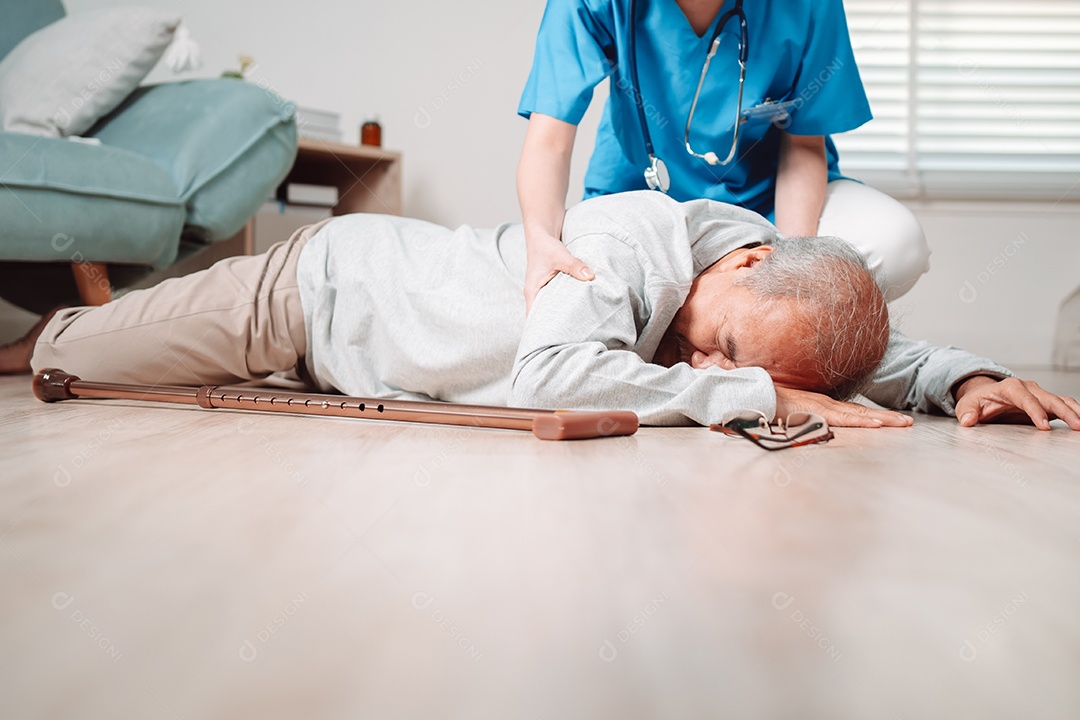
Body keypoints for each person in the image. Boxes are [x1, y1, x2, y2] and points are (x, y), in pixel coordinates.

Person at [22, 192, 1079, 431]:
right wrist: (751, 388)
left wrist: (963, 378)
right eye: (719, 343)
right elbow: (548, 377)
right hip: (310, 298)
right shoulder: (628, 246)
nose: (697, 359)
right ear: (744, 258)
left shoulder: (763, 293)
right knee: (62, 353)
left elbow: (847, 358)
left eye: (725, 361)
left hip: (346, 367)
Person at [517, 0, 930, 308]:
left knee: (895, 242)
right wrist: (539, 239)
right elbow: (549, 138)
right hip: (644, 199)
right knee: (575, 281)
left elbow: (803, 145)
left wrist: (789, 265)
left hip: (768, 207)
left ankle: (713, 322)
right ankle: (712, 323)